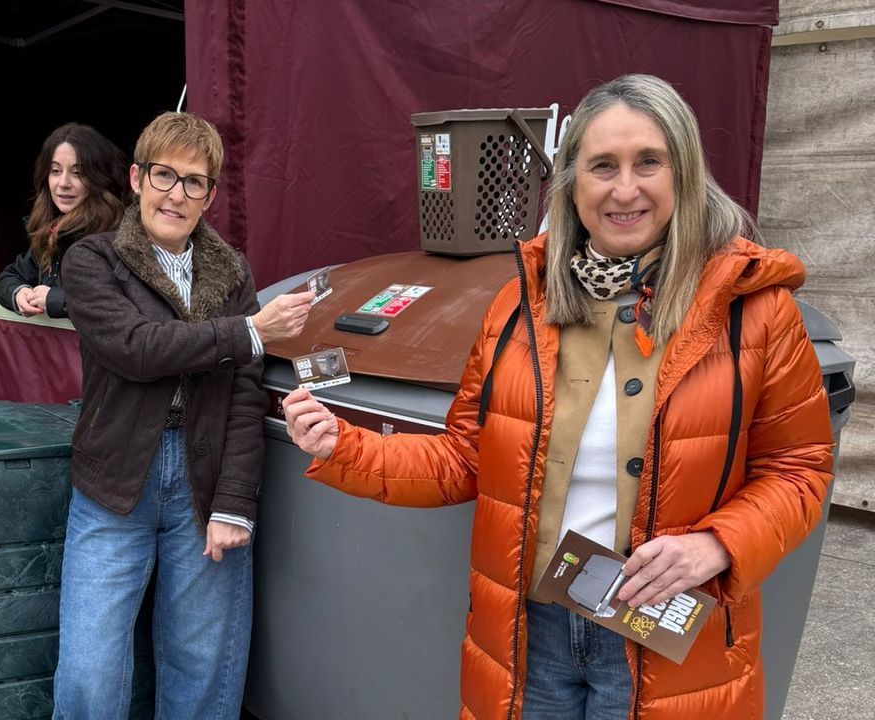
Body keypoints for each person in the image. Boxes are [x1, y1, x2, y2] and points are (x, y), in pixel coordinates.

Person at [283, 74, 833, 720]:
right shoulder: (520, 305)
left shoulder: (754, 310)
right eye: (603, 166)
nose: (624, 189)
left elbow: (800, 468)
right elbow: (464, 459)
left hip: (667, 637)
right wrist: (345, 446)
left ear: (684, 172)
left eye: (648, 162)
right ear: (573, 184)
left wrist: (718, 544)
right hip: (531, 629)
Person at [53, 111, 314, 719]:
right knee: (91, 672)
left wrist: (236, 502)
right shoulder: (92, 260)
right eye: (164, 175)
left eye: (194, 182)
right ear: (137, 178)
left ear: (210, 196)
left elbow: (245, 394)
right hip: (115, 480)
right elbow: (135, 348)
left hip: (206, 481)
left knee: (202, 667)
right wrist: (250, 331)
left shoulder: (231, 272)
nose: (176, 194)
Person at [0, 122, 127, 319]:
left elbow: (117, 304)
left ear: (98, 177)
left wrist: (54, 299)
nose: (64, 183)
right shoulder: (53, 230)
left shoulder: (115, 236)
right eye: (55, 171)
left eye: (77, 173)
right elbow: (10, 275)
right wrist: (19, 293)